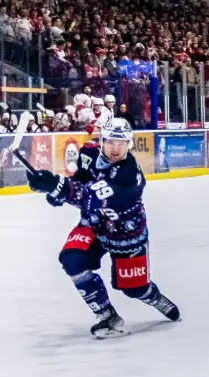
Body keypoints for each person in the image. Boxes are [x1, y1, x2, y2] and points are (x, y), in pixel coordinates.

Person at [24, 118, 181, 337]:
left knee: (133, 289)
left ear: (129, 144)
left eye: (122, 143)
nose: (116, 149)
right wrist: (53, 191)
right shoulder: (88, 153)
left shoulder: (129, 175)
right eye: (111, 142)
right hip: (95, 225)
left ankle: (154, 297)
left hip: (125, 234)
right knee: (71, 260)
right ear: (102, 140)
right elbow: (81, 179)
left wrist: (58, 187)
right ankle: (108, 317)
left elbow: (92, 197)